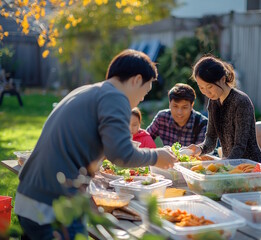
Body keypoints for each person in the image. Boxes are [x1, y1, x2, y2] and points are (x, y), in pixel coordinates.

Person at [14, 49, 177, 239]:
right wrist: (156, 157)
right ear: (136, 80)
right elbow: (120, 155)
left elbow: (106, 144)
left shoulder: (89, 91)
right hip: (54, 205)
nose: (142, 99)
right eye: (145, 92)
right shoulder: (116, 98)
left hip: (30, 196)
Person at [184, 55, 261, 160]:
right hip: (230, 166)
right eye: (201, 87)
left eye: (210, 87)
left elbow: (240, 146)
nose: (206, 92)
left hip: (250, 165)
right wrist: (200, 148)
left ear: (222, 79)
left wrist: (225, 164)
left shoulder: (241, 102)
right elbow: (211, 139)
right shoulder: (213, 103)